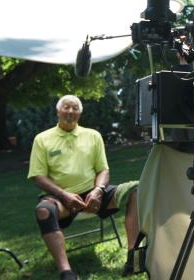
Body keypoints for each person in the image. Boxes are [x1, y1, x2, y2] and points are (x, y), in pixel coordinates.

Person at [28, 95, 139, 280]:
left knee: (136, 190)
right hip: (61, 197)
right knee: (43, 211)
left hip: (94, 192)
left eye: (75, 108)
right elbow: (38, 176)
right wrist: (64, 195)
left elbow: (103, 170)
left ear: (80, 113)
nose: (70, 112)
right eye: (66, 107)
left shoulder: (93, 135)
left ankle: (133, 257)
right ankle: (66, 272)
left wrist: (98, 191)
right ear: (58, 111)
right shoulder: (42, 139)